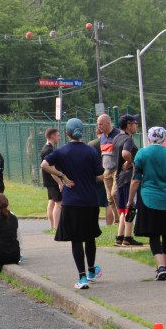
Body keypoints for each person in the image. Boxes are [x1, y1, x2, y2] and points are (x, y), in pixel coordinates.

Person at [41, 118, 104, 290]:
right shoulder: (91, 151)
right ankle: (91, 271)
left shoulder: (62, 151)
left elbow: (44, 165)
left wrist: (61, 175)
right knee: (90, 237)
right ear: (82, 132)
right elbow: (100, 175)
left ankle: (82, 277)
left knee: (76, 239)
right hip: (90, 200)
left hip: (72, 201)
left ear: (67, 133)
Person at [124, 126, 166, 281]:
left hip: (149, 198)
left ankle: (160, 266)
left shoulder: (142, 154)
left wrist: (130, 201)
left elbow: (135, 180)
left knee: (154, 234)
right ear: (164, 138)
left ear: (149, 138)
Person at [111, 114, 143, 247]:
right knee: (131, 206)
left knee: (123, 208)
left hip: (119, 177)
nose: (137, 125)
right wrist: (131, 161)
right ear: (129, 125)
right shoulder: (128, 139)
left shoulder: (116, 138)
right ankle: (128, 237)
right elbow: (125, 153)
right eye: (135, 123)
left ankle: (120, 236)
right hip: (129, 177)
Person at [97, 114, 120, 226]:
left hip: (116, 169)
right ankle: (117, 220)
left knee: (115, 193)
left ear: (108, 123)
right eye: (98, 124)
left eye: (101, 124)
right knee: (109, 198)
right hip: (106, 170)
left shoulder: (118, 135)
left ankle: (122, 217)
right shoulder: (102, 137)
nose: (99, 126)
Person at [40, 128, 63, 231]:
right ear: (52, 136)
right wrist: (59, 182)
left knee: (51, 202)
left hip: (48, 180)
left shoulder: (45, 148)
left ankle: (52, 226)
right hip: (52, 180)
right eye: (58, 135)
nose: (59, 137)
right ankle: (56, 227)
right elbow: (52, 169)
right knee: (58, 203)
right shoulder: (49, 150)